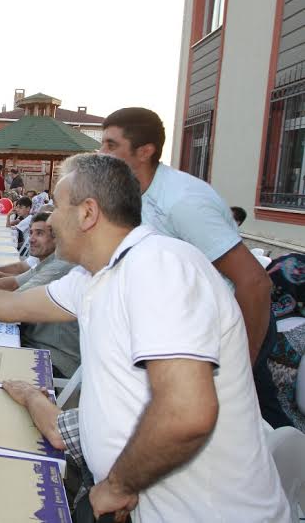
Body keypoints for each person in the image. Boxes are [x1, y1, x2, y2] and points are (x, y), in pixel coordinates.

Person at [0, 153, 289, 522]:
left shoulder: (159, 267)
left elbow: (187, 414)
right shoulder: (95, 275)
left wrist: (118, 484)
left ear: (88, 213)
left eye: (57, 207)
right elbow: (17, 306)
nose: (49, 219)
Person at [99, 107, 290, 428]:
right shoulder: (137, 193)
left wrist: (242, 361)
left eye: (110, 145)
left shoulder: (183, 201)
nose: (102, 153)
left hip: (235, 325)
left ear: (145, 151)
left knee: (255, 418)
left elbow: (255, 283)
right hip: (193, 327)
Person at [0, 212, 80, 378]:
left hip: (53, 358)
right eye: (31, 233)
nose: (31, 239)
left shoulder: (60, 265)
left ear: (57, 238)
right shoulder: (51, 260)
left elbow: (14, 302)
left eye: (40, 233)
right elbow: (14, 282)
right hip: (33, 340)